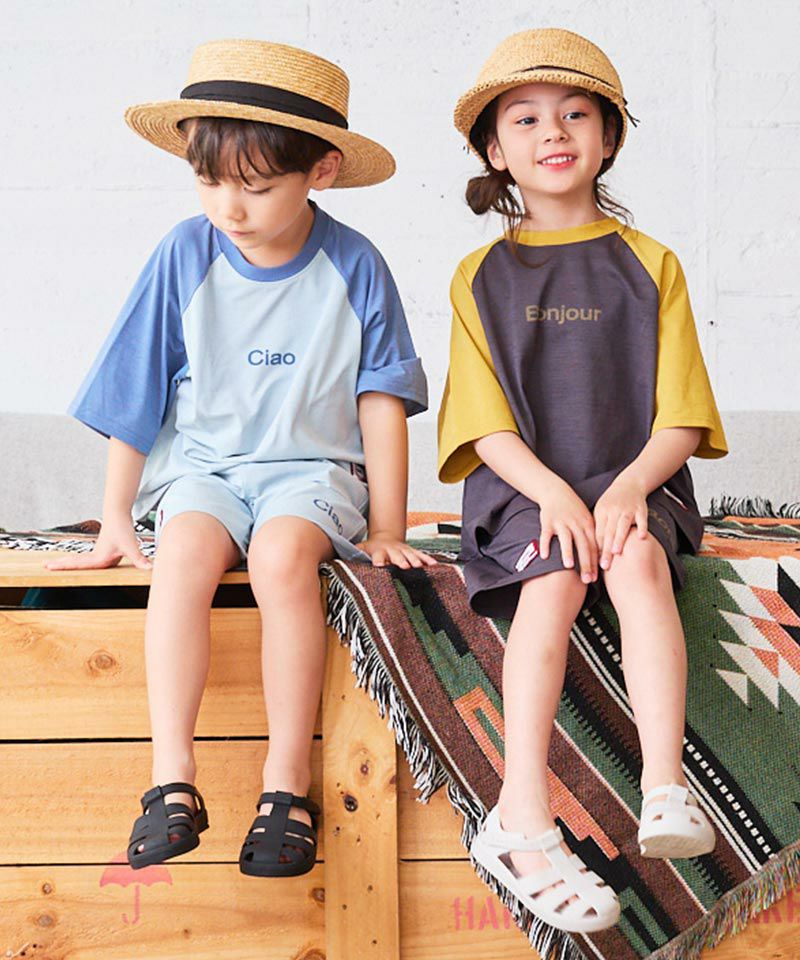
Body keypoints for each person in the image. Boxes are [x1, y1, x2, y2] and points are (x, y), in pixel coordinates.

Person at [45, 38, 434, 878]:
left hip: (312, 475)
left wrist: (390, 526)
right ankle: (171, 781)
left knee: (282, 558)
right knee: (183, 552)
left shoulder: (356, 265)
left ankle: (285, 783)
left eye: (255, 187)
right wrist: (115, 516)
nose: (230, 206)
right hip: (204, 473)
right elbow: (135, 389)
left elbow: (382, 401)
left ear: (321, 171)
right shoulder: (182, 254)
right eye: (210, 182)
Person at [438, 28, 727, 933]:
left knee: (637, 562)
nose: (552, 131)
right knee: (554, 577)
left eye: (574, 114)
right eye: (524, 119)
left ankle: (665, 787)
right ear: (495, 149)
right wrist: (556, 495)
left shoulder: (653, 264)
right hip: (525, 489)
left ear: (607, 137)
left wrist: (629, 488)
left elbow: (681, 416)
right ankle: (520, 813)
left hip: (636, 479)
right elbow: (483, 426)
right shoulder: (478, 276)